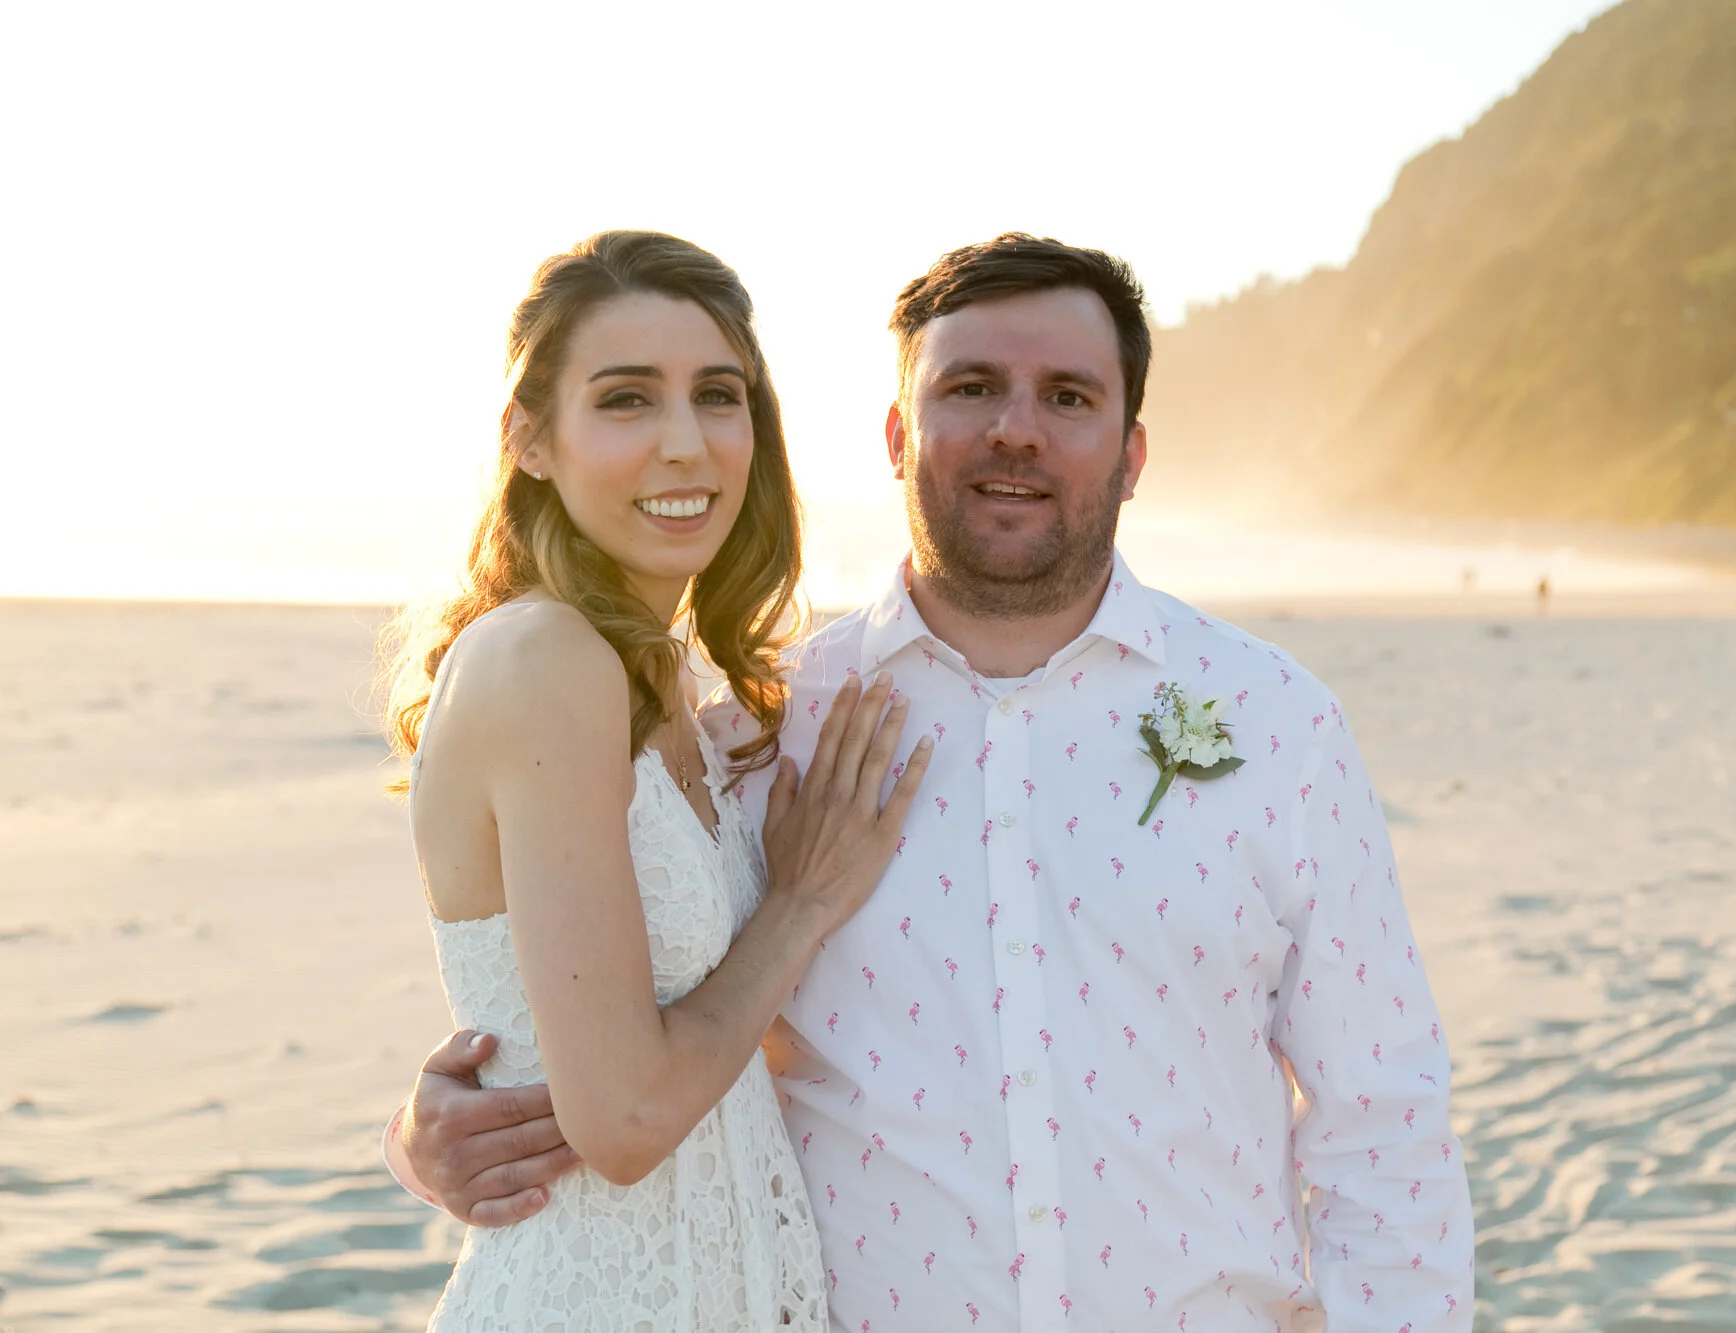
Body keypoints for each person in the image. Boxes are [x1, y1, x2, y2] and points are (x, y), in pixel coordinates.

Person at [390, 233, 1475, 1330]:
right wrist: (431, 1128)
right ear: (899, 434)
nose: (1015, 428)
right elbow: (617, 1014)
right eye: (971, 388)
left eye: (1066, 395)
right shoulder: (763, 732)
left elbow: (1380, 1122)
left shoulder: (1276, 725)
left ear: (1132, 452)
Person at [381, 230, 932, 1330]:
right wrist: (802, 904)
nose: (685, 444)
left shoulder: (661, 684)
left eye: (717, 397)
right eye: (627, 400)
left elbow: (694, 1040)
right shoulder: (544, 658)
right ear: (530, 438)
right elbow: (626, 1119)